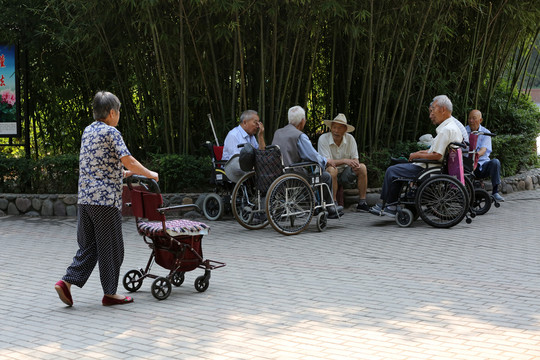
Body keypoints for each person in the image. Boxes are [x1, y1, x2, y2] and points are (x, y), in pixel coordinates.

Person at [55, 91, 159, 307]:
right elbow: (128, 160)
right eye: (118, 111)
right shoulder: (112, 132)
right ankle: (110, 294)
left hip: (85, 199)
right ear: (112, 112)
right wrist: (150, 174)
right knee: (111, 247)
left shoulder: (88, 131)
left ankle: (66, 282)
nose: (118, 115)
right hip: (104, 202)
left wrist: (124, 174)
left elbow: (100, 166)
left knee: (90, 246)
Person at [370, 95, 464, 217]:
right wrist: (418, 154)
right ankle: (393, 203)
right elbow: (434, 151)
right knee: (399, 167)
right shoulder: (452, 127)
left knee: (392, 171)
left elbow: (437, 155)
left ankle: (390, 205)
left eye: (433, 110)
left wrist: (416, 155)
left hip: (428, 168)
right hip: (433, 166)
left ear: (442, 109)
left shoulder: (446, 130)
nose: (431, 115)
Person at [272, 105, 343, 218]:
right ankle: (327, 207)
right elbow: (313, 156)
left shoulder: (278, 132)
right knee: (326, 176)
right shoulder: (299, 136)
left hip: (277, 174)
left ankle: (316, 203)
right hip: (294, 174)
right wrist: (326, 160)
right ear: (302, 121)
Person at [317, 113, 369, 212]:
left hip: (345, 172)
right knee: (333, 170)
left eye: (339, 128)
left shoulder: (350, 139)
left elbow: (355, 159)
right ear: (331, 127)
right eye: (334, 127)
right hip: (327, 173)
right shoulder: (323, 139)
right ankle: (334, 203)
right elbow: (328, 163)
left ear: (345, 129)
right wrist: (345, 161)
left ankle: (362, 202)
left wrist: (355, 163)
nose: (336, 131)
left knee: (362, 167)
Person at [466, 109, 504, 202]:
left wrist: (476, 155)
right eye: (469, 118)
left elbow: (483, 150)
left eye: (474, 118)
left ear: (480, 120)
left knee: (495, 162)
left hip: (482, 164)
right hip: (468, 163)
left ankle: (495, 192)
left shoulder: (486, 132)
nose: (471, 121)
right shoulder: (463, 131)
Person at [222, 110, 265, 182]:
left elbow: (262, 153)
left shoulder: (251, 136)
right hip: (234, 170)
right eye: (255, 122)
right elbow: (235, 161)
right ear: (245, 122)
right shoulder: (233, 135)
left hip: (248, 169)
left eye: (259, 123)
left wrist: (260, 136)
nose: (258, 126)